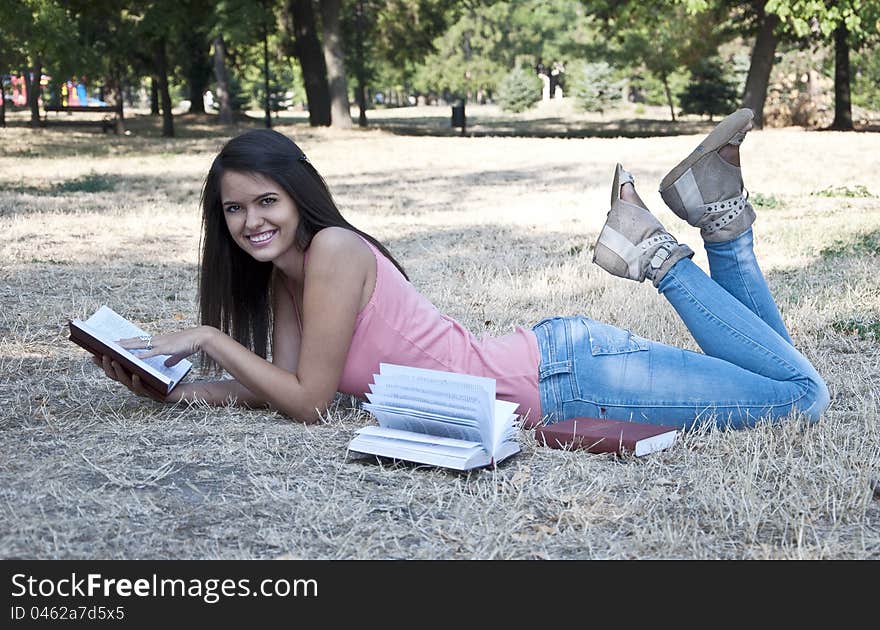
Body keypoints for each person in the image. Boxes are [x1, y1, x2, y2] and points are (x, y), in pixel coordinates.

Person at [96, 109, 830, 430]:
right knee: (786, 379)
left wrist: (207, 338)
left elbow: (312, 401)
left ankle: (654, 251)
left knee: (800, 397)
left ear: (299, 197)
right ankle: (721, 218)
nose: (252, 221)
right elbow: (289, 391)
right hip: (557, 372)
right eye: (234, 211)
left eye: (266, 201)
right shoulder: (291, 279)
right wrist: (181, 391)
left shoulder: (336, 253)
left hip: (567, 377)